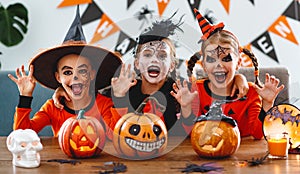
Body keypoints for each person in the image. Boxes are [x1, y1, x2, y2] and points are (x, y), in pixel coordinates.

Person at [53, 12, 249, 136]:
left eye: (162, 55)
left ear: (172, 64)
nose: (155, 60)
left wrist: (239, 77)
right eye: (147, 54)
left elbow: (185, 134)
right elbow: (92, 102)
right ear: (137, 63)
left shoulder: (180, 90)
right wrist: (63, 92)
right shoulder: (124, 87)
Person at [8, 6, 122, 140]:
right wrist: (25, 97)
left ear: (92, 74)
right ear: (58, 77)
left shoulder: (104, 104)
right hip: (60, 160)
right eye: (68, 72)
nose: (75, 76)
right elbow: (22, 135)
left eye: (82, 71)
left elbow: (116, 135)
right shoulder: (53, 107)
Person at [171, 8, 285, 139]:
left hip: (242, 155)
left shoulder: (252, 93)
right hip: (206, 150)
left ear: (238, 63)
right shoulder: (196, 91)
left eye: (226, 58)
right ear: (204, 65)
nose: (218, 64)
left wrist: (267, 104)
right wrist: (185, 108)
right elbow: (190, 133)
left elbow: (258, 134)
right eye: (211, 59)